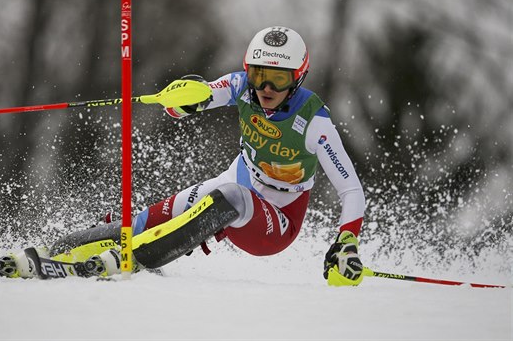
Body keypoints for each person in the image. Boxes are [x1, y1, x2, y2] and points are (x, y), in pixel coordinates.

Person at [50, 26, 366, 286]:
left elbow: (351, 189)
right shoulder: (242, 86)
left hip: (277, 220)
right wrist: (182, 99)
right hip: (240, 178)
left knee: (231, 195)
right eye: (258, 74)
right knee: (148, 218)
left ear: (298, 77)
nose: (266, 87)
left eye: (279, 78)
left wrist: (346, 242)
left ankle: (136, 256)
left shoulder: (315, 121)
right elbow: (193, 100)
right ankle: (60, 250)